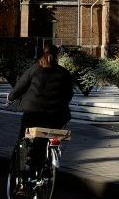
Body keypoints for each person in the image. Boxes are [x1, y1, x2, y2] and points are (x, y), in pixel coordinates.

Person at [7, 44, 74, 175]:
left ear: (41, 54)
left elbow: (19, 88)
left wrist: (10, 98)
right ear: (57, 56)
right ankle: (43, 166)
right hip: (57, 116)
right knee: (48, 139)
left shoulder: (34, 69)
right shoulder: (64, 73)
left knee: (24, 141)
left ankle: (20, 173)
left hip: (33, 113)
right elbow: (68, 95)